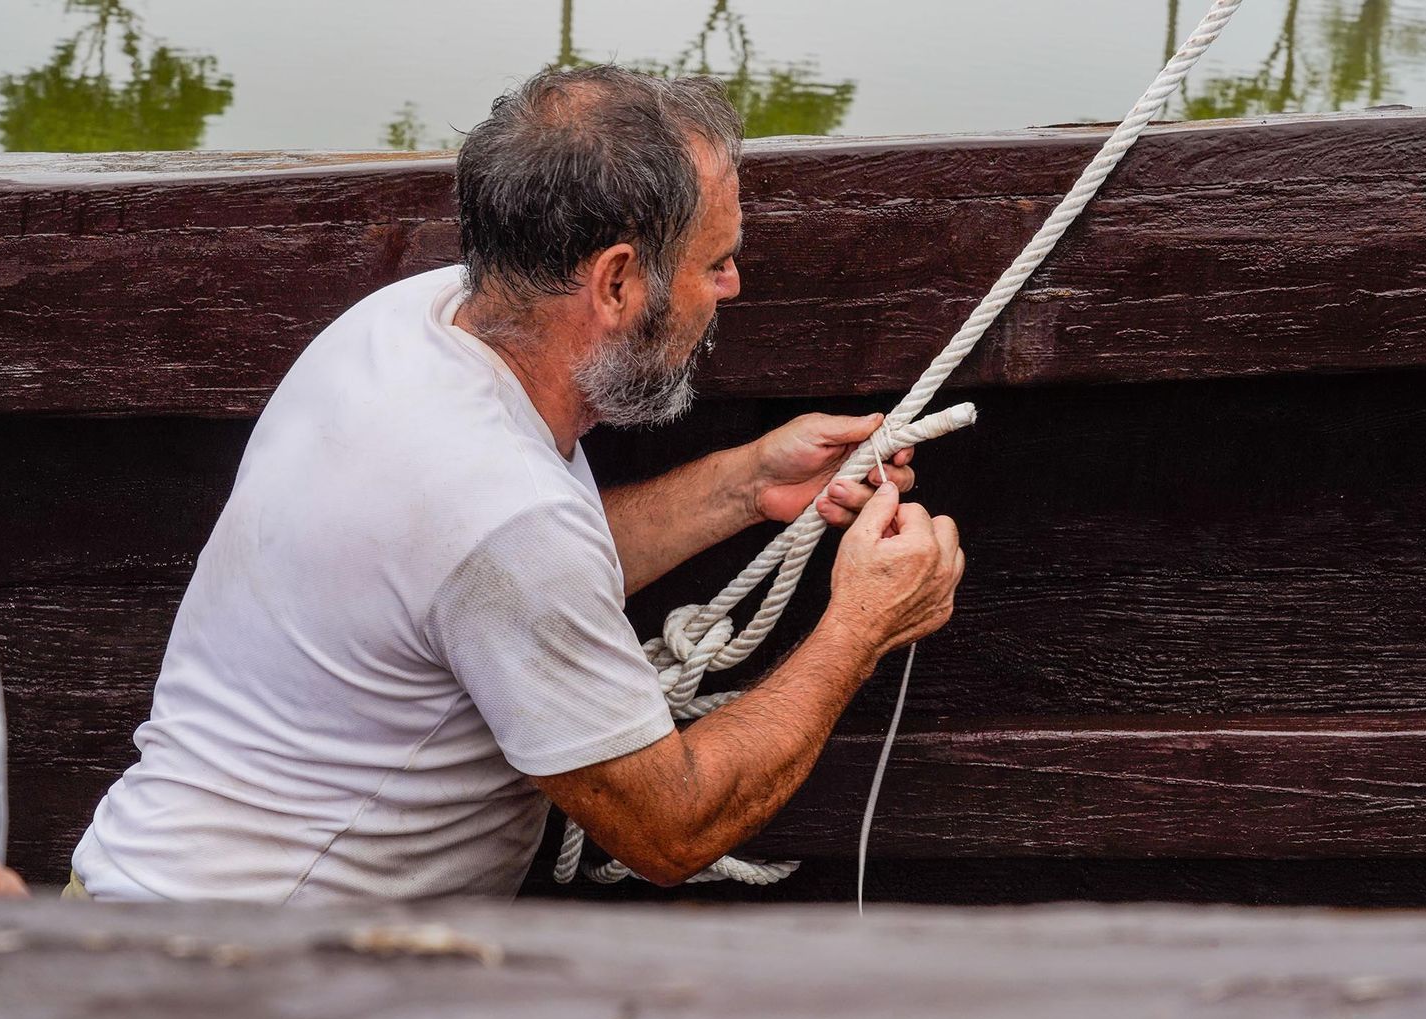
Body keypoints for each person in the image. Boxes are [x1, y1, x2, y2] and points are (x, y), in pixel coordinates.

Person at [69, 65, 963, 902]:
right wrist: (862, 623)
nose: (731, 283)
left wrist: (746, 484)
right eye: (712, 259)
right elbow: (671, 827)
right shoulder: (500, 510)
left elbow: (492, 581)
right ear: (616, 281)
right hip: (240, 991)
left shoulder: (403, 324)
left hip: (136, 901)